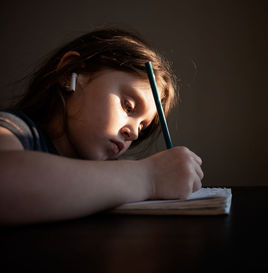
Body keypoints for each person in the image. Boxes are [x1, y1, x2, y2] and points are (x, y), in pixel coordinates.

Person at [0, 27, 203, 225]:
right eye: (128, 106)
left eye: (141, 127)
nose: (132, 133)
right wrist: (147, 177)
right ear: (68, 72)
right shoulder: (17, 131)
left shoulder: (108, 175)